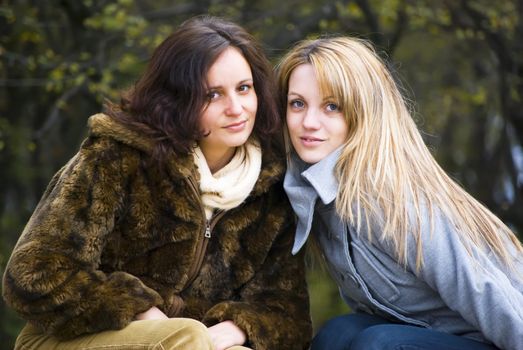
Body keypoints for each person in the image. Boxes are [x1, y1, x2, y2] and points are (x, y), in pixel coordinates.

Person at [3, 15, 312, 350]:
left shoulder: (270, 188)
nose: (236, 108)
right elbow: (33, 273)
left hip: (193, 342)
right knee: (187, 337)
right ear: (178, 99)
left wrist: (238, 328)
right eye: (212, 95)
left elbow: (289, 317)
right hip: (69, 339)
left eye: (243, 88)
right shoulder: (119, 156)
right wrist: (138, 309)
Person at [276, 36, 523, 350]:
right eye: (297, 103)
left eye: (332, 106)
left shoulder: (388, 198)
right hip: (426, 336)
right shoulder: (312, 190)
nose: (309, 122)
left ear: (362, 112)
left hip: (492, 338)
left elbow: (485, 290)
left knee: (380, 344)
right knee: (337, 333)